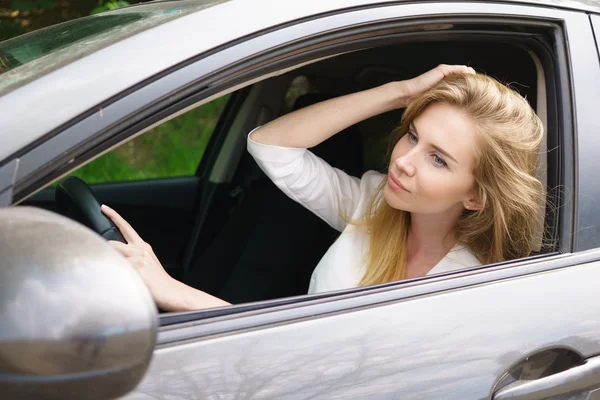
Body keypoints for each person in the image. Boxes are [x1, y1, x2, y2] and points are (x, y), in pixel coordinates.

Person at [102, 64, 544, 311]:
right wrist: (398, 90)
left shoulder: (469, 289)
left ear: (476, 195)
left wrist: (172, 290)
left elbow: (323, 365)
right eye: (412, 135)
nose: (403, 161)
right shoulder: (373, 204)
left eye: (437, 158)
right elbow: (270, 146)